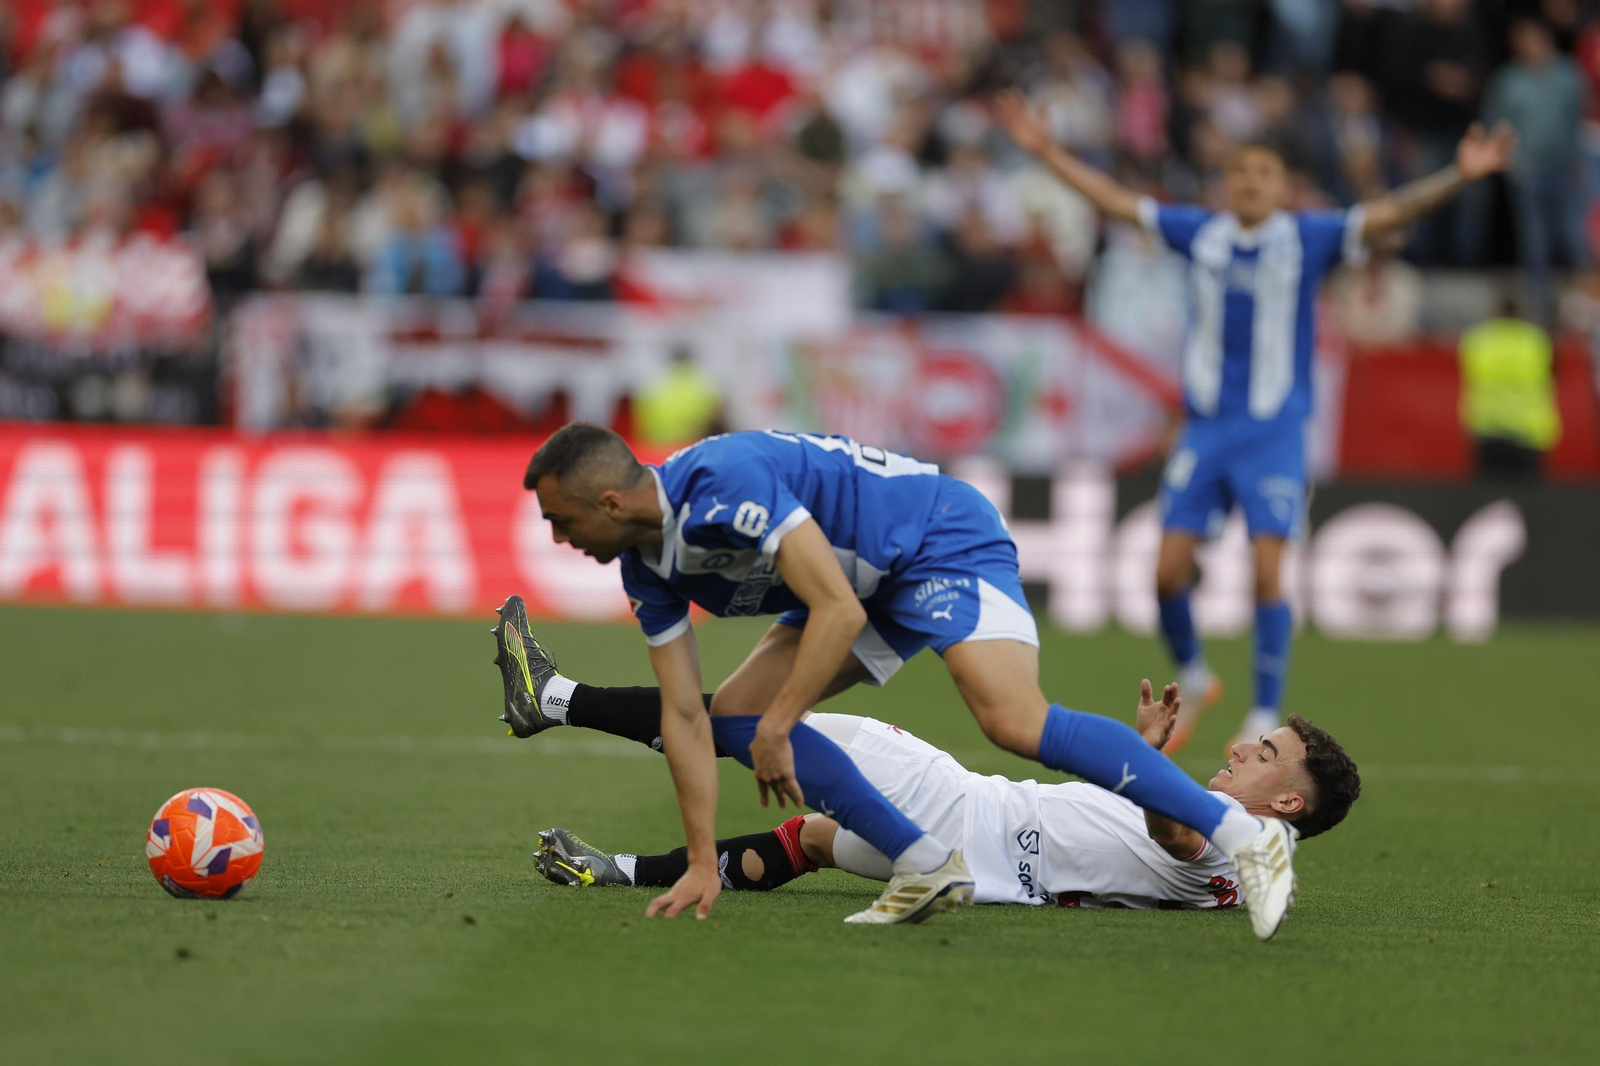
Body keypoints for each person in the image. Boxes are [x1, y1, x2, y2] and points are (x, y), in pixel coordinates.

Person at [499, 424, 1301, 938]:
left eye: (561, 521)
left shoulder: (723, 483)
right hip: (873, 580)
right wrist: (703, 858)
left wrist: (784, 724)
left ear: (609, 500)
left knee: (1011, 719)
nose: (559, 538)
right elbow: (683, 714)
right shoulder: (646, 570)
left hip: (940, 539)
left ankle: (1244, 836)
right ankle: (925, 862)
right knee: (732, 716)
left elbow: (837, 610)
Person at [994, 89, 1516, 755]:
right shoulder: (1200, 234)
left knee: (1270, 572)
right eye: (1240, 173)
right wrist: (1047, 152)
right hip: (1206, 429)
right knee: (1165, 574)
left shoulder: (1308, 238)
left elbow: (1390, 213)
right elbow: (1115, 203)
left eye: (1263, 174)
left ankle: (1264, 710)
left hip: (1273, 434)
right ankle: (1194, 675)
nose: (1249, 183)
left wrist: (1460, 175)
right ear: (1225, 183)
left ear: (1284, 187)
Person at [535, 679, 1359, 913]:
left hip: (954, 806)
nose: (1244, 749)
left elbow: (1179, 839)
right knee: (816, 840)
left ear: (1287, 804)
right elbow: (1160, 841)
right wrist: (1136, 760)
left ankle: (554, 697)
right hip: (984, 868)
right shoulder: (1246, 869)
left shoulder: (1233, 839)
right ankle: (613, 869)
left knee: (758, 719)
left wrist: (1143, 772)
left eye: (1267, 755)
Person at [1459, 298, 1563, 478]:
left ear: (1496, 312)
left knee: (1488, 496)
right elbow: (1553, 373)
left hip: (1487, 426)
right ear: (1520, 313)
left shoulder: (1478, 339)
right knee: (1529, 498)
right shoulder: (1536, 340)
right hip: (1528, 429)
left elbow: (1466, 371)